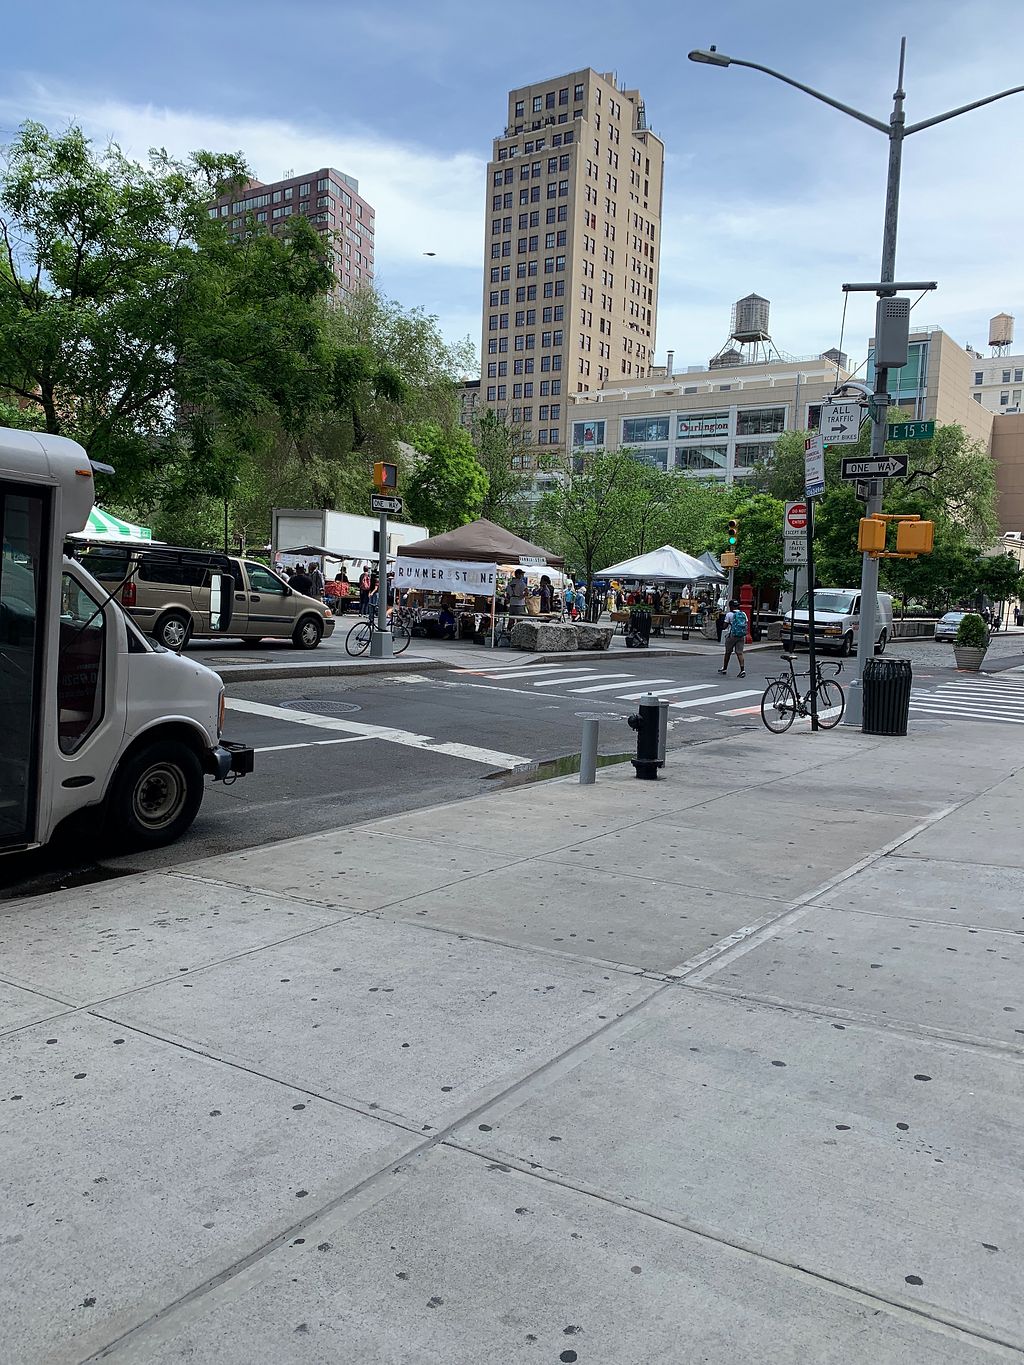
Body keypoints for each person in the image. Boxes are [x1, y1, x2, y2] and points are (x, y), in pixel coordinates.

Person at [718, 598, 747, 678]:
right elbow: (745, 624)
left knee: (728, 652)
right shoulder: (743, 614)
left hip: (732, 635)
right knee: (740, 653)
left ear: (731, 606)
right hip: (741, 635)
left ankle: (724, 668)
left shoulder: (729, 614)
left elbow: (725, 626)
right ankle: (742, 670)